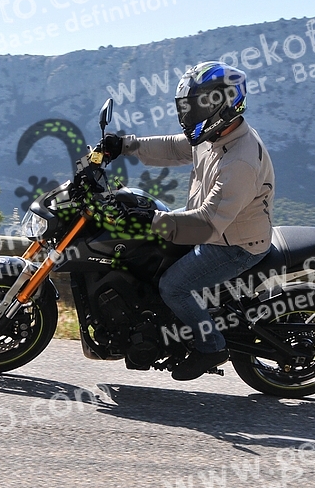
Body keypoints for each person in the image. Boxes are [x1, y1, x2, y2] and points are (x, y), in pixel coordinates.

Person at [101, 60, 275, 380]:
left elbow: (208, 224)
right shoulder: (216, 136)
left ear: (222, 104)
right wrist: (125, 145)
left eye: (196, 106)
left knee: (174, 287)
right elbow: (174, 148)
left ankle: (211, 346)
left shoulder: (240, 160)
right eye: (187, 106)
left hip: (233, 244)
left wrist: (152, 220)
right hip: (216, 227)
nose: (188, 114)